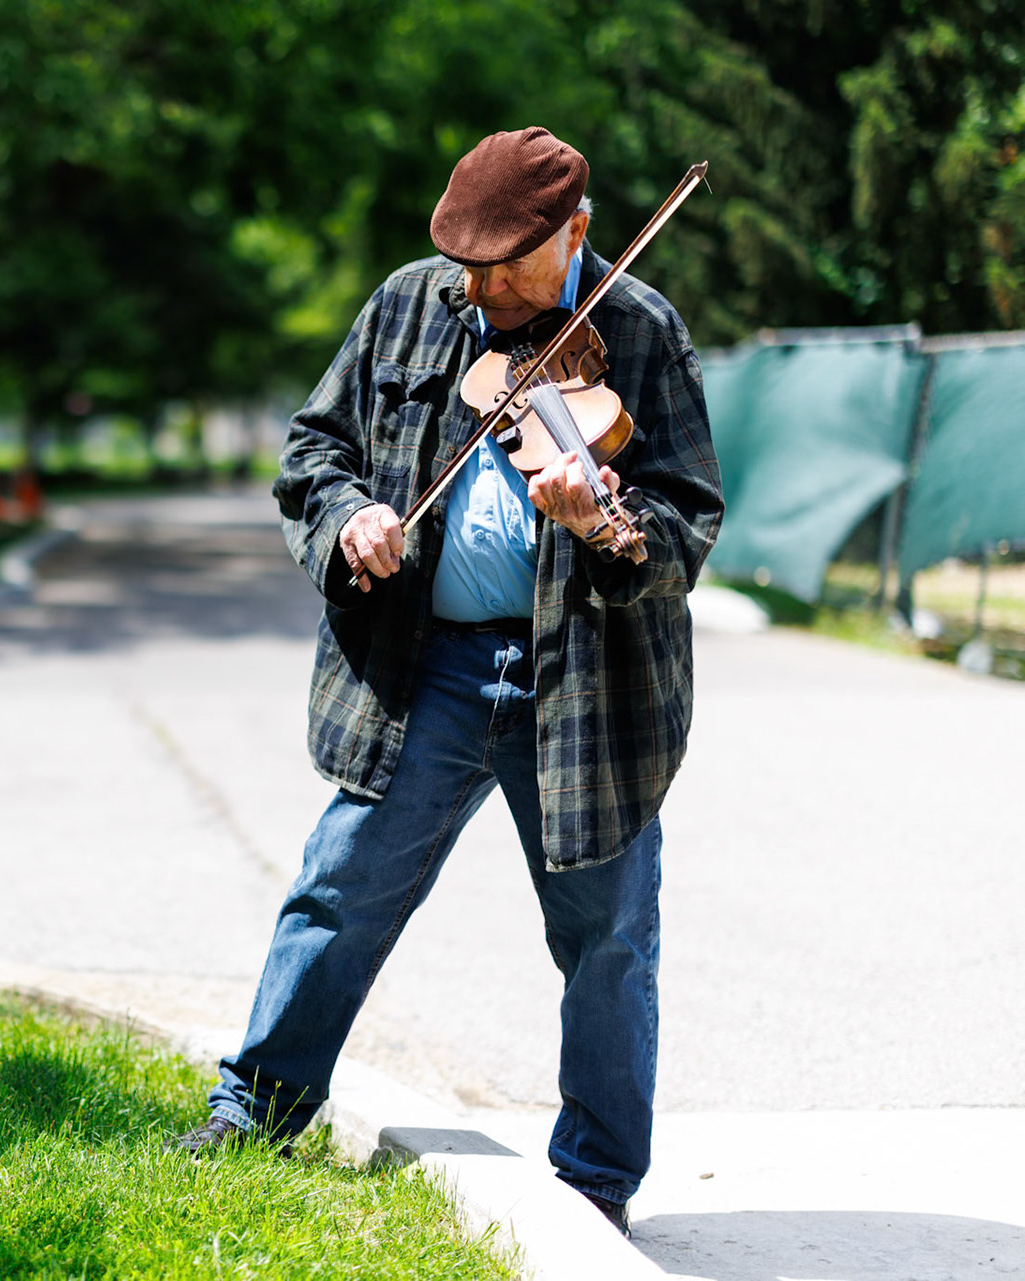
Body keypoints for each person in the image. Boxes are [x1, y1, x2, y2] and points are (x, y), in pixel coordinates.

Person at [167, 128, 723, 1238]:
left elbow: (688, 523)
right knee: (340, 890)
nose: (481, 290)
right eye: (467, 266)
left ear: (577, 233)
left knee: (608, 936)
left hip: (585, 685)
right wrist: (350, 521)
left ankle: (597, 1182)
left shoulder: (644, 332)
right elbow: (313, 452)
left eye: (507, 268)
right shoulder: (411, 306)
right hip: (424, 665)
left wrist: (604, 523)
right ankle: (256, 1111)